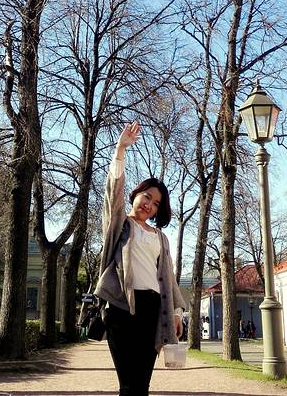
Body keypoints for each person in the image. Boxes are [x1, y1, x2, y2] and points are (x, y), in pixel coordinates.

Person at [95, 122, 185, 396]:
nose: (149, 204)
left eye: (156, 203)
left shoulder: (161, 238)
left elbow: (168, 278)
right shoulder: (120, 225)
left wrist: (177, 311)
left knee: (142, 385)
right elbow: (112, 196)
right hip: (122, 306)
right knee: (128, 384)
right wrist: (120, 150)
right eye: (147, 196)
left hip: (153, 310)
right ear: (136, 195)